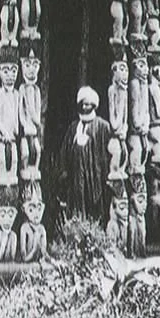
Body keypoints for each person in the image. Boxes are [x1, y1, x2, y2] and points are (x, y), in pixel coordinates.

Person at [58, 86, 111, 223]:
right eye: (83, 104)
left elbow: (108, 152)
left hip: (95, 176)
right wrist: (65, 171)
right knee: (77, 207)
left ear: (94, 105)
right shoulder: (74, 127)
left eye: (88, 104)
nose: (86, 107)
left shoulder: (102, 126)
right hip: (76, 178)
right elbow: (65, 150)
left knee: (95, 208)